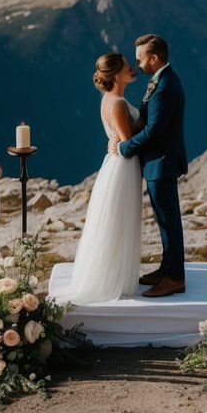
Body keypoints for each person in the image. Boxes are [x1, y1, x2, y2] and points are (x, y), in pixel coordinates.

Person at [57, 52, 142, 304]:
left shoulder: (111, 99)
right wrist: (150, 123)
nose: (132, 67)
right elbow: (129, 141)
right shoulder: (117, 103)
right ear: (116, 74)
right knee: (120, 220)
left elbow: (120, 135)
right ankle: (114, 279)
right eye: (127, 66)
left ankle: (116, 274)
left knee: (116, 220)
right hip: (123, 166)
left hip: (116, 165)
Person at [115, 34, 188, 298]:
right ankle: (167, 268)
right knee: (164, 220)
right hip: (160, 160)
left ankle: (176, 278)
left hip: (162, 162)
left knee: (169, 222)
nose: (138, 63)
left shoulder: (165, 85)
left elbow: (155, 131)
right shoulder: (161, 80)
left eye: (141, 58)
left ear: (154, 58)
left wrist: (125, 148)